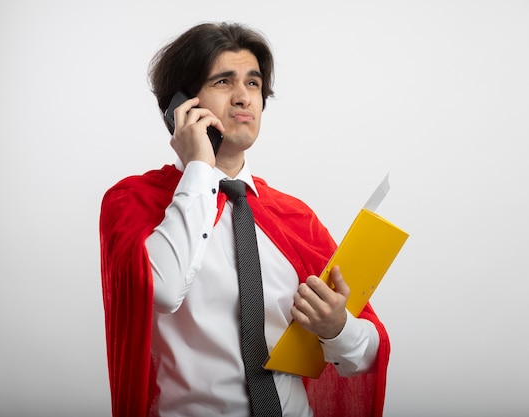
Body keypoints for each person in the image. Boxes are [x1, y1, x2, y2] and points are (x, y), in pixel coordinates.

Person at [99, 22, 390, 417]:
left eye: (253, 84)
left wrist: (337, 327)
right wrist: (200, 167)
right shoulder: (132, 201)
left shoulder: (294, 217)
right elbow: (162, 289)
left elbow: (368, 353)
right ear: (181, 105)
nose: (243, 98)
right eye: (223, 81)